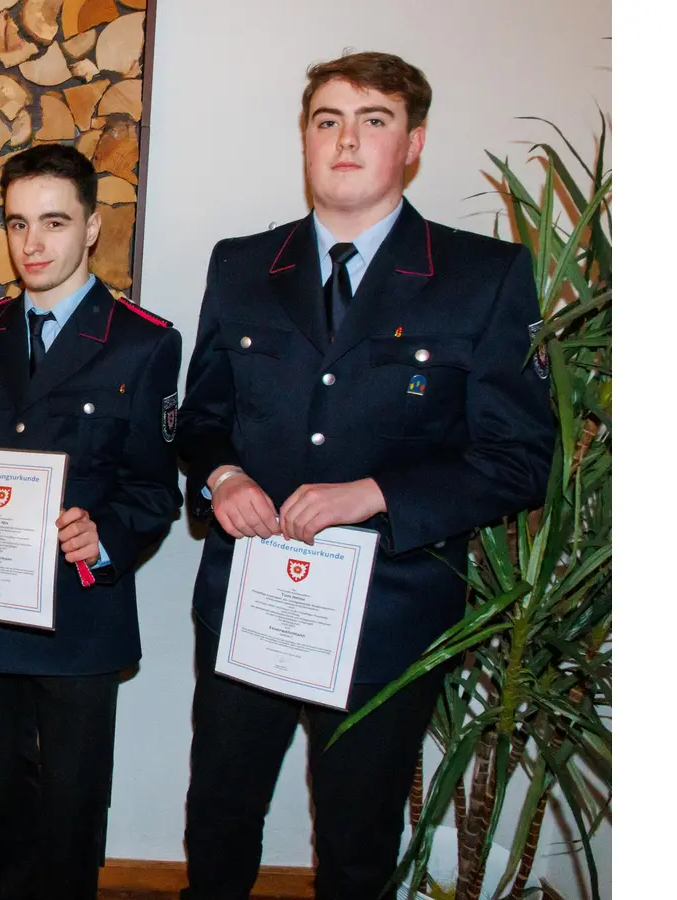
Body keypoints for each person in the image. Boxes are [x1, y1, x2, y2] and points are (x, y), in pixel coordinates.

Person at [175, 51, 555, 900]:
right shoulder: (241, 265)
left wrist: (376, 494)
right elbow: (200, 417)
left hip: (388, 614)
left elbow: (520, 456)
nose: (346, 140)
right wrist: (223, 475)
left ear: (412, 143)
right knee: (221, 818)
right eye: (327, 120)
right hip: (252, 604)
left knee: (356, 840)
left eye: (373, 120)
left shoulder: (481, 279)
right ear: (305, 139)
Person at [0, 143, 184, 899]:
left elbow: (153, 490)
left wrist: (106, 536)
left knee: (70, 812)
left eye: (54, 222)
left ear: (93, 227)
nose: (32, 244)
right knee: (2, 805)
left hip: (80, 617)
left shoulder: (144, 340)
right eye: (17, 223)